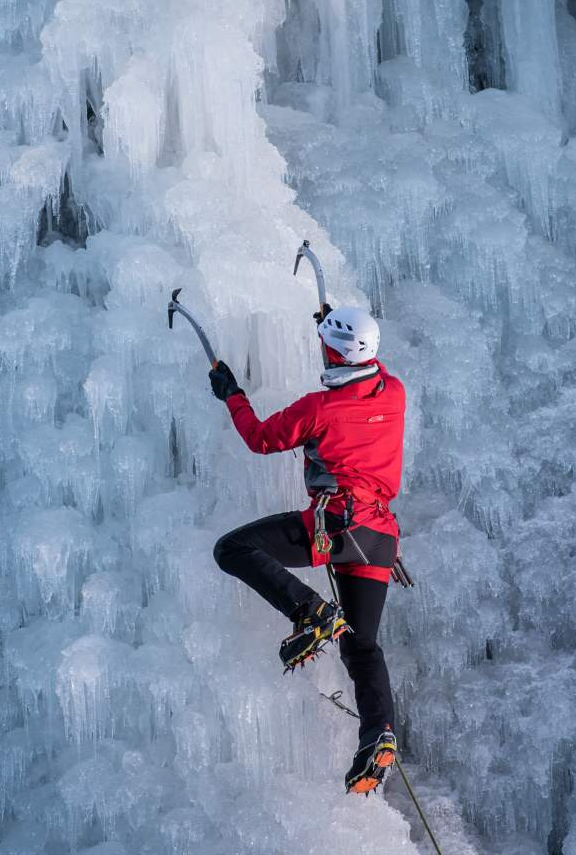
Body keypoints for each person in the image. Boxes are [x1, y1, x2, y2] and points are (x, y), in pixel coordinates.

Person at [207, 305, 406, 795]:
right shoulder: (396, 393)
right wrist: (335, 321)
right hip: (379, 539)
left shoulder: (319, 409)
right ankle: (377, 733)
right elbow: (362, 369)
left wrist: (232, 395)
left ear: (334, 352)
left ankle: (310, 612)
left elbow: (258, 438)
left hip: (336, 527)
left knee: (232, 549)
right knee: (362, 646)